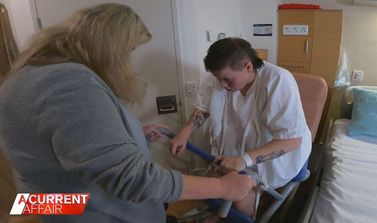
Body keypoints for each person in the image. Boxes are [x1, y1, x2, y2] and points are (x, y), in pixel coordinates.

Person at [0, 4, 255, 223]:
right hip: (94, 212)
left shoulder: (24, 76)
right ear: (109, 47)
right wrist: (222, 187)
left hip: (53, 203)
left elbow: (72, 147)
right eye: (130, 50)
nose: (128, 60)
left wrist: (129, 135)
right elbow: (130, 178)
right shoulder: (67, 82)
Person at [169, 37, 311, 218]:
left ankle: (239, 212)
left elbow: (292, 140)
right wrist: (184, 133)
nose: (222, 85)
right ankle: (216, 216)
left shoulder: (278, 81)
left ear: (248, 66)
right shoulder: (221, 77)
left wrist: (244, 160)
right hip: (234, 152)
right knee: (208, 187)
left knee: (240, 201)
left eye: (227, 80)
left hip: (273, 155)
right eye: (219, 79)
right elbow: (203, 108)